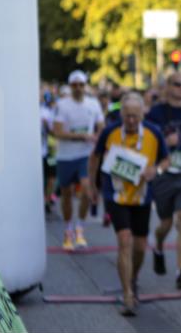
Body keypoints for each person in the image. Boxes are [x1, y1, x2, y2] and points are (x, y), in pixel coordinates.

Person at [87, 92, 169, 316]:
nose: (131, 120)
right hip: (116, 195)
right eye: (127, 116)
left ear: (143, 113)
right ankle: (127, 295)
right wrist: (92, 186)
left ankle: (132, 278)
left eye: (135, 116)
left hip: (142, 196)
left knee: (140, 247)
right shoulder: (110, 131)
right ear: (121, 114)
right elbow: (94, 157)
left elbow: (166, 159)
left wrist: (157, 170)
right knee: (125, 241)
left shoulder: (154, 132)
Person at [144, 71, 181, 289]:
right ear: (167, 86)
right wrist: (165, 142)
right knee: (166, 224)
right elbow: (148, 143)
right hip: (164, 174)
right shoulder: (155, 113)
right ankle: (158, 244)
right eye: (177, 84)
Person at [52, 70, 105, 251]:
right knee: (66, 194)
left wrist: (98, 137)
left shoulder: (93, 103)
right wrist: (82, 135)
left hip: (86, 155)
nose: (78, 88)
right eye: (74, 85)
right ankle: (68, 230)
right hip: (65, 156)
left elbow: (101, 126)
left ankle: (80, 228)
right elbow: (57, 132)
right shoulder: (62, 104)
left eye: (81, 85)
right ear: (70, 86)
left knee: (86, 189)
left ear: (85, 86)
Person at [40, 88, 57, 215]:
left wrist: (47, 126)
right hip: (34, 154)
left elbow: (53, 132)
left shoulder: (48, 113)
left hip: (48, 151)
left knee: (51, 177)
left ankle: (47, 200)